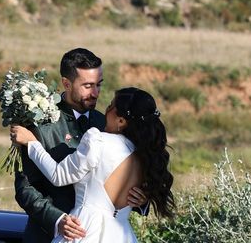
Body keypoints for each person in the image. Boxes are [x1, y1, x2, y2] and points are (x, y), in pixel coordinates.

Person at [13, 48, 147, 243]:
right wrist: (58, 220)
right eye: (87, 85)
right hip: (46, 234)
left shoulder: (107, 123)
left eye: (98, 85)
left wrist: (140, 201)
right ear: (66, 83)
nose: (95, 93)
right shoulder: (39, 123)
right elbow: (25, 187)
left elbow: (122, 175)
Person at [11, 87, 175, 243]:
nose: (106, 110)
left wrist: (32, 143)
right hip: (122, 234)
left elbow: (58, 176)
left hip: (85, 230)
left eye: (111, 106)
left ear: (121, 120)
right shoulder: (145, 154)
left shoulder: (99, 141)